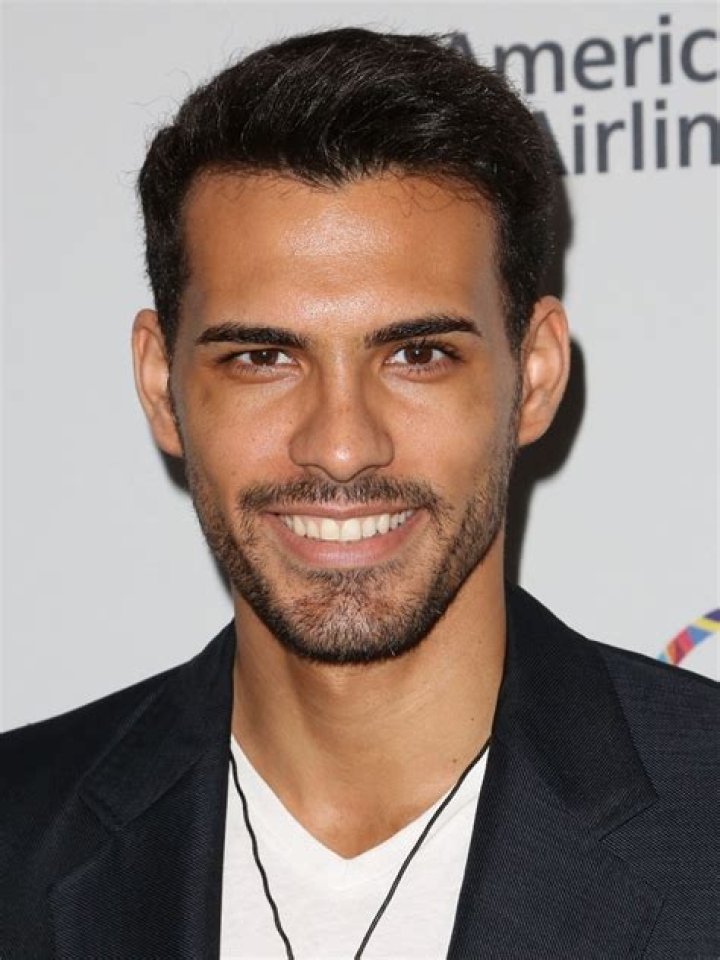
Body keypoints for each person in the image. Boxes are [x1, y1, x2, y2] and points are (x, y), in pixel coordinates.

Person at [0, 27, 716, 960]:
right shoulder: (20, 834)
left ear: (534, 377)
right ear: (161, 387)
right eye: (262, 358)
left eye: (417, 354)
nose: (340, 447)